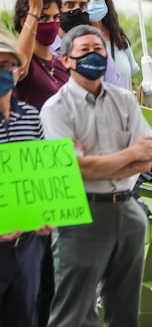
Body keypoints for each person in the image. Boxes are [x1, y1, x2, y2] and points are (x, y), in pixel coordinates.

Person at [40, 25, 152, 326]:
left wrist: (96, 162)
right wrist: (129, 154)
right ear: (66, 59)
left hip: (128, 211)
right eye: (84, 51)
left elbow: (148, 160)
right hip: (82, 215)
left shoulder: (124, 99)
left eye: (99, 50)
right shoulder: (56, 108)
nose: (94, 56)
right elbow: (75, 170)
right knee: (73, 312)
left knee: (125, 310)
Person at [0, 31, 55, 327]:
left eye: (8, 65)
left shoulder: (32, 117)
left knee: (27, 316)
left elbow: (41, 178)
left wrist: (48, 211)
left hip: (28, 245)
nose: (3, 73)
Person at [12, 0, 68, 111]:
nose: (51, 23)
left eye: (56, 17)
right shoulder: (25, 63)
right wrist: (34, 11)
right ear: (23, 21)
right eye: (43, 18)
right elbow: (19, 69)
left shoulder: (61, 64)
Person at [87, 0, 139, 92]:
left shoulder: (119, 37)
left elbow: (129, 80)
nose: (92, 3)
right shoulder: (80, 43)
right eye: (87, 0)